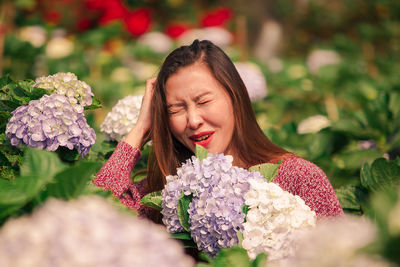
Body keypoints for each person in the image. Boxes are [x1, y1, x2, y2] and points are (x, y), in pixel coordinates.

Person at [93, 39, 344, 223]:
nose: (193, 120)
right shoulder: (164, 194)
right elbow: (96, 219)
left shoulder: (299, 178)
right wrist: (140, 130)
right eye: (175, 109)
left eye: (203, 101)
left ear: (235, 97)